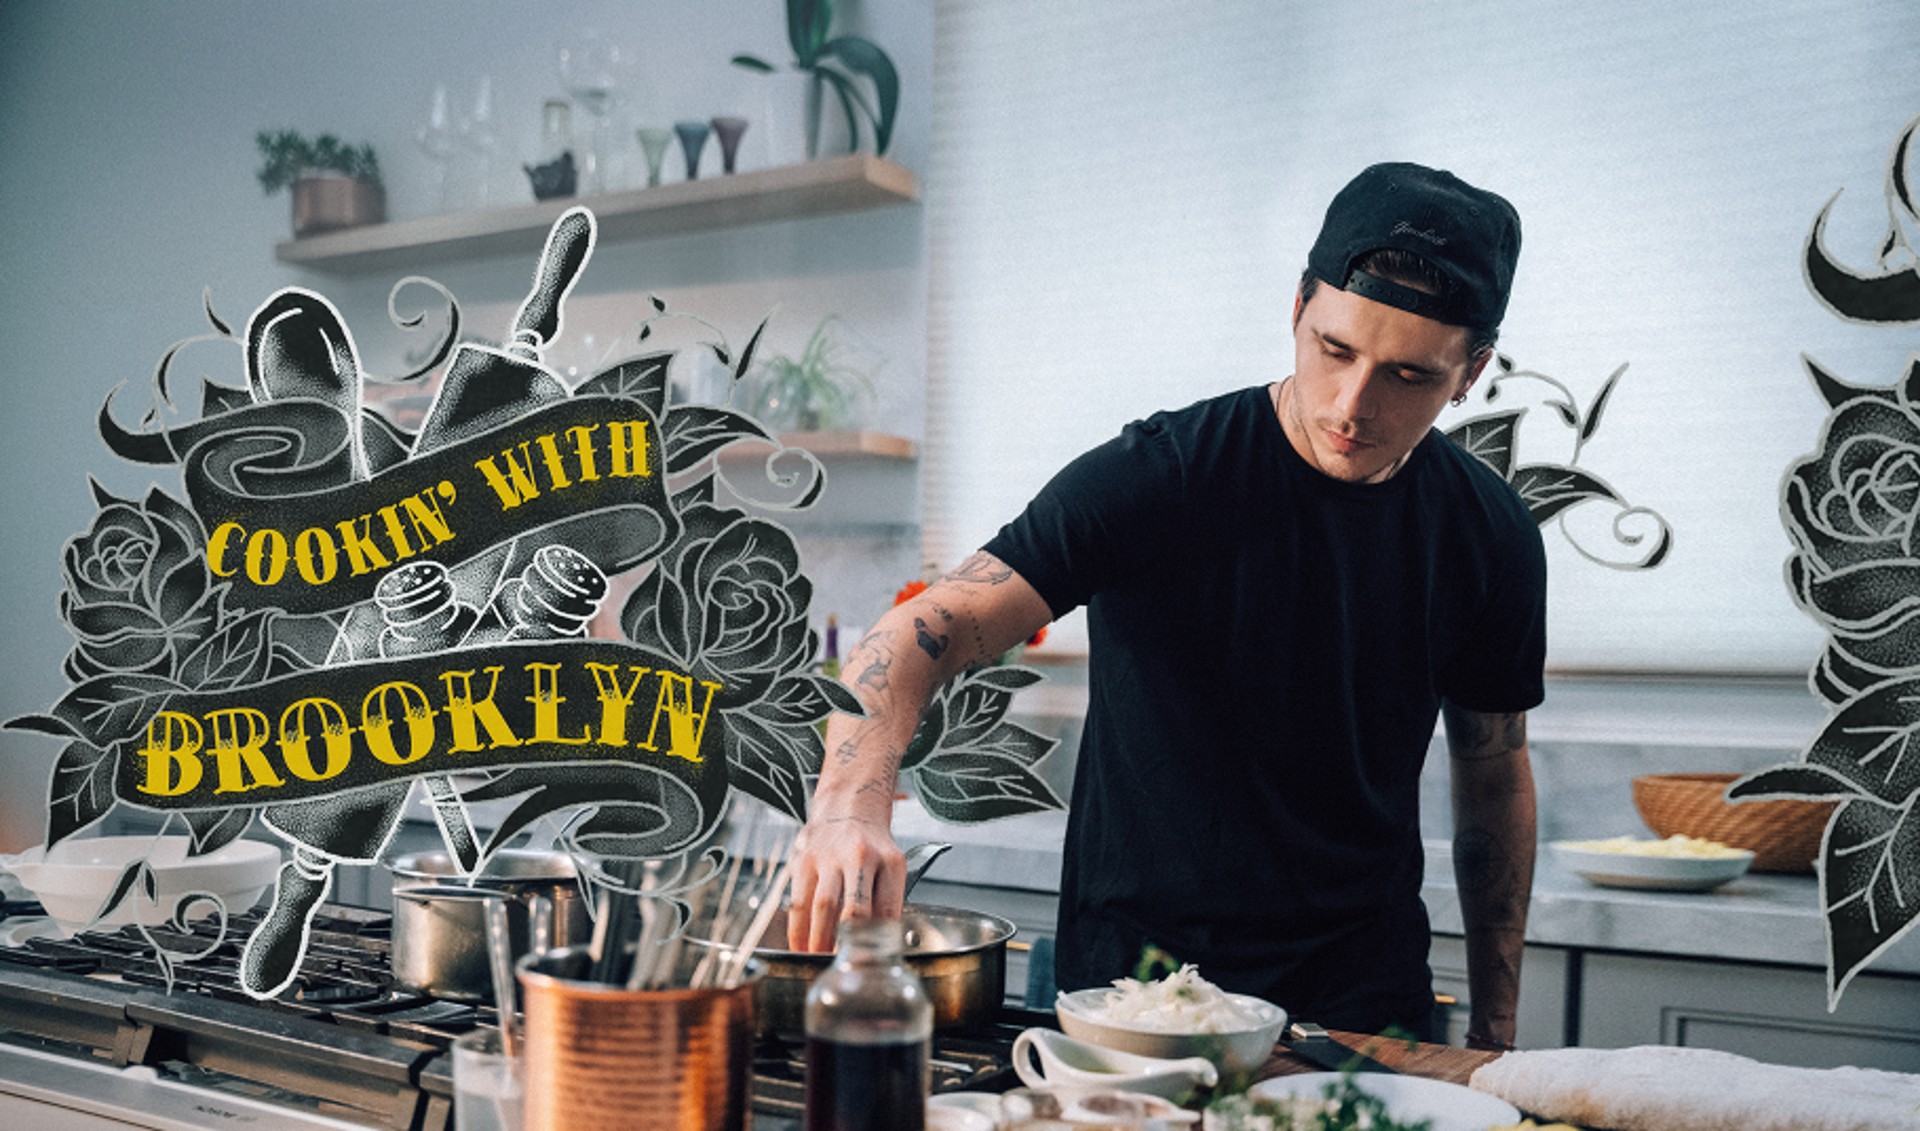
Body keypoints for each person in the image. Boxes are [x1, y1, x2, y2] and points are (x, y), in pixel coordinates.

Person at [788, 162, 1545, 1051]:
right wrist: (848, 805)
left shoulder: (1490, 534)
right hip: (1136, 1000)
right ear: (1297, 308)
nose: (1353, 404)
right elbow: (928, 626)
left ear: (1471, 372)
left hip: (1360, 1007)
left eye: (1409, 375)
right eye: (1335, 350)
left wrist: (1497, 1021)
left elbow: (1494, 774)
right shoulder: (1164, 474)